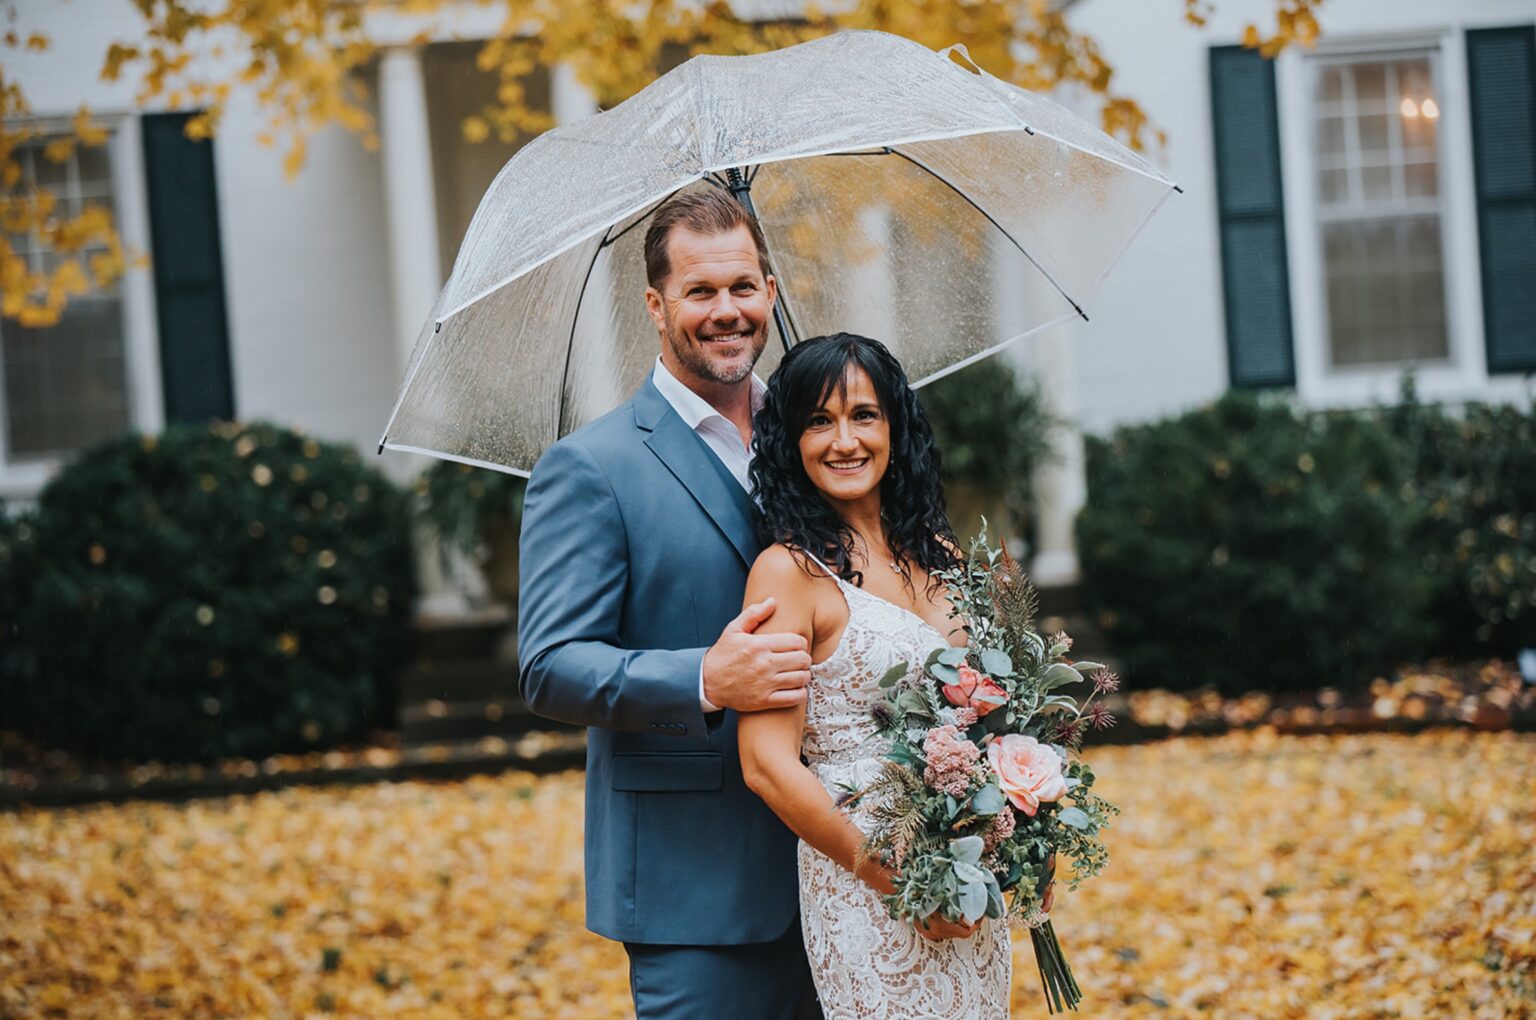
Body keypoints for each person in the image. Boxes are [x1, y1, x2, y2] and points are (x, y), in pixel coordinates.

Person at [517, 186, 822, 1020]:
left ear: (770, 290)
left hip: (846, 862)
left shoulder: (818, 440)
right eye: (700, 292)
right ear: (656, 305)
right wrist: (706, 679)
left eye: (743, 287)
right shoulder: (591, 468)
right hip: (697, 887)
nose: (726, 311)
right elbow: (549, 666)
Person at [737, 333, 1018, 1018]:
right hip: (863, 881)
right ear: (790, 443)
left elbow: (998, 717)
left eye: (864, 415)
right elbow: (766, 764)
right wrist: (895, 879)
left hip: (966, 867)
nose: (844, 440)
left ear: (895, 426)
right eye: (818, 420)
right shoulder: (788, 572)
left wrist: (1022, 838)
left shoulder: (946, 554)